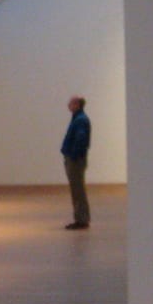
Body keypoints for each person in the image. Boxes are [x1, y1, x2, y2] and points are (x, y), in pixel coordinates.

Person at [61, 95, 92, 229]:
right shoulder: (78, 119)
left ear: (77, 105)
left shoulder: (80, 120)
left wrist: (73, 156)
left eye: (71, 102)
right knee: (76, 189)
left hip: (75, 160)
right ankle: (80, 218)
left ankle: (82, 219)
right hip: (75, 159)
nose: (69, 104)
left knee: (78, 190)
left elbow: (81, 139)